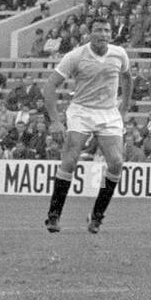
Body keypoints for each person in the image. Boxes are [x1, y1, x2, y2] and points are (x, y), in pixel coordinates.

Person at [41, 18, 132, 234]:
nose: (103, 34)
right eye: (99, 30)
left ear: (111, 33)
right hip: (82, 111)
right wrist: (55, 120)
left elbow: (128, 80)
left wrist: (125, 107)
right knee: (70, 160)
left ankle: (97, 215)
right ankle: (54, 215)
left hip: (108, 113)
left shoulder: (119, 53)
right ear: (89, 33)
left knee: (117, 163)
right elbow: (50, 86)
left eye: (107, 30)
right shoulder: (75, 56)